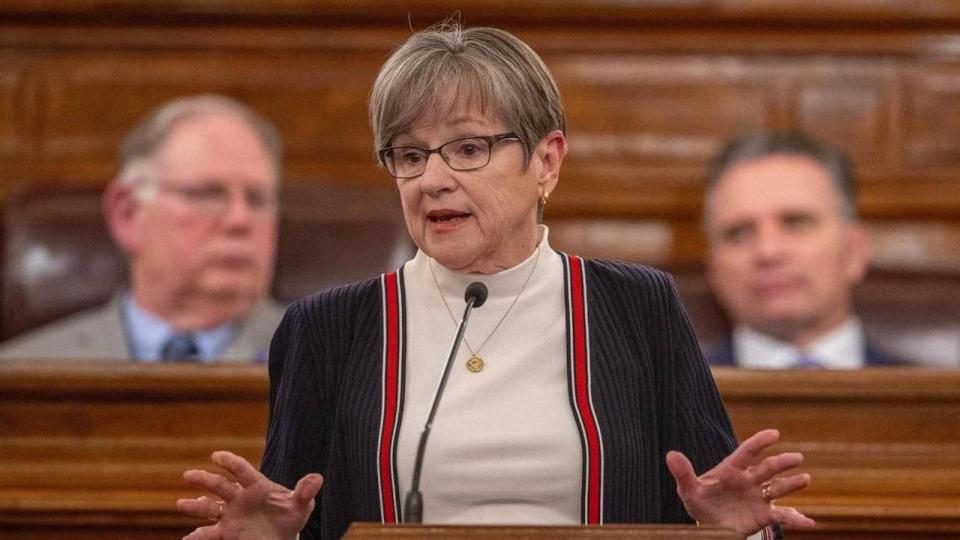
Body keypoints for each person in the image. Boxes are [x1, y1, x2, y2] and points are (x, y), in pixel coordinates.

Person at [177, 24, 815, 539]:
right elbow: (290, 517)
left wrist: (736, 535)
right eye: (409, 154)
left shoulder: (635, 308)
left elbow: (722, 508)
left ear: (546, 160)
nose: (432, 179)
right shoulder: (330, 330)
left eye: (468, 149)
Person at [0, 94, 286, 362]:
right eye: (207, 194)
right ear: (128, 213)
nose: (240, 220)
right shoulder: (23, 374)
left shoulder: (324, 364)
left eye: (258, 199)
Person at [702, 132, 905, 369]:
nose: (768, 252)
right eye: (739, 233)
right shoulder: (667, 401)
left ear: (854, 251)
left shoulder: (934, 399)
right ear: (713, 268)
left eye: (796, 223)